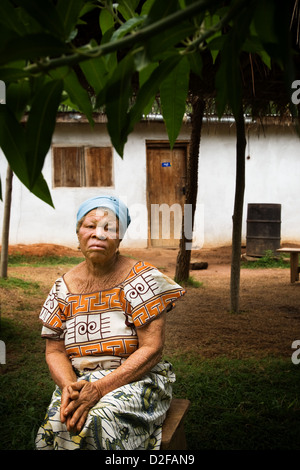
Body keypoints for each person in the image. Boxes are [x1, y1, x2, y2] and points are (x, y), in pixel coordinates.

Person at [35, 195, 185, 450]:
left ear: (120, 238)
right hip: (80, 381)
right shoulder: (62, 288)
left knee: (97, 421)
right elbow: (55, 351)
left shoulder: (142, 279)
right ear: (78, 233)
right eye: (90, 226)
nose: (98, 234)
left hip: (137, 380)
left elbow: (152, 348)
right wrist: (70, 386)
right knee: (59, 423)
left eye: (110, 228)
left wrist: (100, 388)